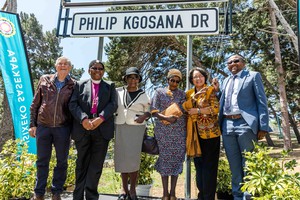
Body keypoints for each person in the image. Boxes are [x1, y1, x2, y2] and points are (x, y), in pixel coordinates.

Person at [216, 54, 269, 199]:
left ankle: (248, 196)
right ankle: (237, 196)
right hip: (227, 124)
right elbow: (224, 100)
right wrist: (216, 92)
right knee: (234, 165)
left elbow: (261, 102)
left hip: (245, 123)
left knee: (248, 163)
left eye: (236, 61)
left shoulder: (253, 76)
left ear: (243, 63)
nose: (233, 63)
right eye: (229, 62)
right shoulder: (226, 80)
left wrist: (263, 126)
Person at [68, 60, 118, 200]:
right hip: (83, 129)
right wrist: (83, 119)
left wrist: (100, 118)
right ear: (89, 70)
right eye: (94, 68)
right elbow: (73, 104)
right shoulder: (79, 85)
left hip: (101, 130)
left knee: (96, 166)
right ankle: (77, 196)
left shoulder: (110, 86)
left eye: (100, 68)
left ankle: (91, 196)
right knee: (81, 164)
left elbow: (113, 105)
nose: (97, 70)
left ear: (103, 71)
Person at [29, 56, 75, 200]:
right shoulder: (45, 79)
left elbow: (74, 108)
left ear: (69, 68)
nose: (63, 66)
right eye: (60, 64)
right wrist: (32, 125)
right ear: (56, 66)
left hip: (63, 128)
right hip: (43, 126)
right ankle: (39, 192)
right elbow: (35, 104)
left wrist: (73, 130)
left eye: (66, 64)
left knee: (62, 161)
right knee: (42, 160)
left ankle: (56, 192)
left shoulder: (74, 85)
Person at [182, 67, 221, 200]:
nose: (198, 79)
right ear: (191, 80)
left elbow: (216, 108)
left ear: (205, 77)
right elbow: (185, 108)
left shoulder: (210, 90)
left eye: (200, 76)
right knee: (199, 167)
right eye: (195, 77)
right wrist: (194, 102)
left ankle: (209, 197)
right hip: (194, 134)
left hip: (210, 134)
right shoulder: (189, 93)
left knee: (209, 167)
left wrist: (198, 111)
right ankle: (201, 196)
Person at [114, 67, 151, 200]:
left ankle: (133, 189)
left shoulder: (144, 94)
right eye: (130, 77)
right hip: (120, 126)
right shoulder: (117, 91)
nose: (133, 80)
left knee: (133, 159)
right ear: (126, 78)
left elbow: (149, 111)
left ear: (139, 79)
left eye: (135, 77)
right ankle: (124, 189)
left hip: (136, 128)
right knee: (122, 157)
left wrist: (144, 117)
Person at [150, 69, 186, 200]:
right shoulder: (159, 92)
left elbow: (184, 109)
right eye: (172, 80)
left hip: (179, 132)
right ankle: (165, 193)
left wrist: (175, 116)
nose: (175, 83)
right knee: (165, 160)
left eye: (177, 81)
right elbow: (153, 110)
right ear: (167, 80)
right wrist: (165, 117)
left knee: (176, 160)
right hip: (163, 131)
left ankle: (173, 193)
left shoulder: (183, 94)